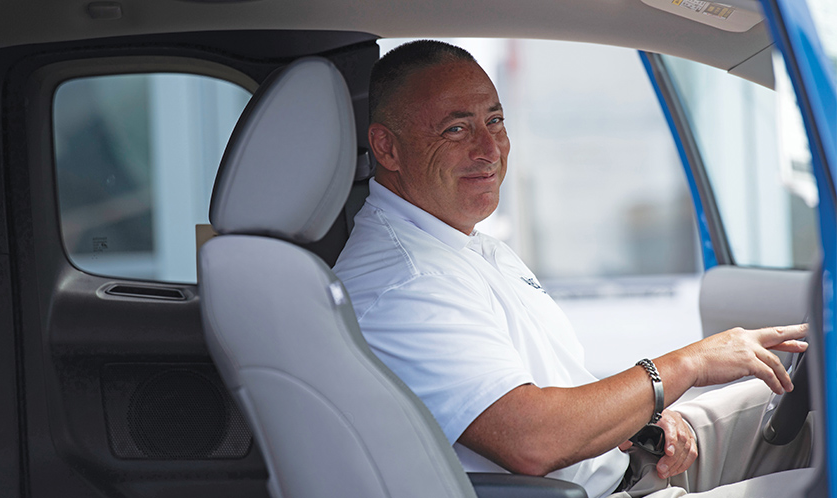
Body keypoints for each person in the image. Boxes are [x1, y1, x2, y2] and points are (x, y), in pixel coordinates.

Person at [332, 40, 813, 498]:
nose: (489, 149)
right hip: (588, 489)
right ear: (387, 148)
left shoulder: (461, 244)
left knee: (817, 396)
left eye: (495, 121)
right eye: (456, 129)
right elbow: (533, 440)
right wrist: (688, 364)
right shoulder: (406, 282)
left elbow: (551, 388)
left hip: (628, 461)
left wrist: (639, 419)